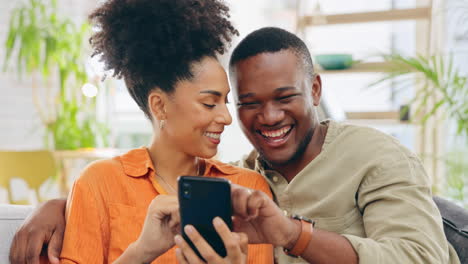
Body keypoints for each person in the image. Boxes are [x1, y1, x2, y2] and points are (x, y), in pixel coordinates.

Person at [10, 27, 460, 264]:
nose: (262, 117)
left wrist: (291, 234)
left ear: (316, 90)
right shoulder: (247, 180)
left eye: (285, 98)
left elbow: (421, 258)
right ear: (159, 105)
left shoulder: (371, 157)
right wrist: (60, 204)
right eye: (237, 102)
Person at [8, 1, 276, 263]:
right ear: (159, 106)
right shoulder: (99, 184)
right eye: (209, 103)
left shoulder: (248, 190)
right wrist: (142, 252)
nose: (226, 117)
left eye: (225, 101)